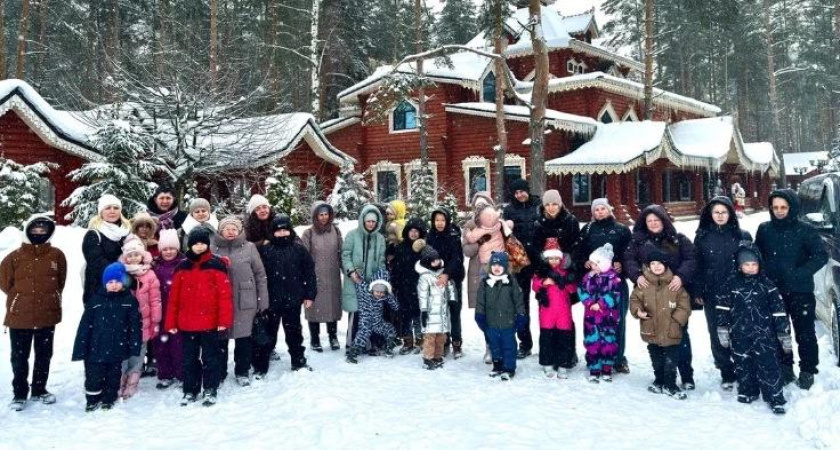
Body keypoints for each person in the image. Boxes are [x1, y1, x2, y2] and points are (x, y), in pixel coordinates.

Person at [755, 189, 827, 390]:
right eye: (775, 207)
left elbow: (820, 256)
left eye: (783, 207)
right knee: (780, 332)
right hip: (774, 292)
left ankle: (808, 370)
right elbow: (757, 255)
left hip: (800, 291)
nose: (779, 211)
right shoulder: (764, 229)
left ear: (792, 207)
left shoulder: (806, 230)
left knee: (805, 333)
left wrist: (800, 273)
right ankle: (785, 367)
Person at [624, 204, 696, 389]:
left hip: (674, 294)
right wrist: (637, 275)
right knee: (655, 338)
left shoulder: (678, 239)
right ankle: (662, 376)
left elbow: (691, 259)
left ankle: (686, 375)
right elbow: (629, 260)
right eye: (649, 220)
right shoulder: (637, 242)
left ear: (664, 221)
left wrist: (681, 276)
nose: (653, 223)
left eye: (657, 220)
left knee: (680, 336)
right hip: (650, 297)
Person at [715, 242, 790, 415]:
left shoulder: (767, 284)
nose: (750, 268)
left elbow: (778, 310)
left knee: (769, 364)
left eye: (754, 264)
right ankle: (748, 390)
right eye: (746, 264)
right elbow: (722, 308)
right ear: (739, 265)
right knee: (743, 363)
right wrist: (722, 327)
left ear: (759, 264)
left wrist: (782, 331)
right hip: (739, 333)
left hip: (765, 333)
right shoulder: (731, 284)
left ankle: (775, 397)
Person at [1, 216, 66, 411]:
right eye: (35, 230)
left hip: (47, 315)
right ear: (27, 231)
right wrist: (21, 297)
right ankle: (19, 393)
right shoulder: (14, 257)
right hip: (20, 316)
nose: (39, 233)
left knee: (44, 355)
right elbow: (5, 283)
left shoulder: (56, 255)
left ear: (49, 232)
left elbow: (60, 281)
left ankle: (39, 389)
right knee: (19, 357)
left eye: (43, 230)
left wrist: (50, 296)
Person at [165, 227, 233, 407]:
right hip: (187, 324)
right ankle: (190, 390)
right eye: (196, 243)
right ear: (190, 245)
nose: (200, 246)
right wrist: (171, 322)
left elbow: (224, 296)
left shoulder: (216, 265)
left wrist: (223, 320)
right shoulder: (182, 267)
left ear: (208, 245)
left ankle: (210, 388)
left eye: (203, 243)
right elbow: (174, 299)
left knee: (210, 358)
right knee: (189, 359)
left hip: (210, 323)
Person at [693, 196, 752, 390]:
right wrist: (698, 289)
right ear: (710, 214)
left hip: (737, 291)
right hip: (712, 291)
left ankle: (743, 366)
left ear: (730, 214)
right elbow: (697, 265)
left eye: (724, 212)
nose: (720, 215)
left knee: (740, 330)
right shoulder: (702, 236)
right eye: (716, 212)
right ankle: (726, 370)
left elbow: (751, 263)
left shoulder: (742, 235)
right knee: (718, 332)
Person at [72, 262, 142, 412]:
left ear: (123, 282)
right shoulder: (95, 301)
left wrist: (134, 344)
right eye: (110, 282)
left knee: (113, 376)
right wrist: (81, 347)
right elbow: (85, 326)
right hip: (95, 348)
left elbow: (135, 326)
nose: (114, 285)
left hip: (117, 347)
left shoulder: (129, 301)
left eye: (117, 281)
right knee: (93, 376)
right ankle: (92, 400)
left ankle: (108, 399)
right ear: (105, 284)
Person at [573, 198, 632, 373]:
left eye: (602, 208)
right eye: (596, 209)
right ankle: (594, 356)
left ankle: (618, 358)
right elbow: (578, 251)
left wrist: (622, 264)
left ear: (609, 210)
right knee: (593, 321)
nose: (599, 212)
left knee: (616, 321)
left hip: (615, 283)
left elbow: (630, 253)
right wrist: (584, 262)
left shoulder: (621, 230)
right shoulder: (588, 229)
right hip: (594, 284)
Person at [253, 215, 317, 374]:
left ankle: (298, 361)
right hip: (271, 301)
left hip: (293, 300)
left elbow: (309, 273)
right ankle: (261, 366)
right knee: (268, 334)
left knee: (294, 333)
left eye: (285, 230)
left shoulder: (299, 250)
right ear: (272, 232)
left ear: (290, 230)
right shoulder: (265, 251)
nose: (282, 233)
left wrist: (310, 294)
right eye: (278, 231)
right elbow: (257, 276)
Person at [211, 216, 269, 386]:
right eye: (227, 228)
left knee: (244, 339)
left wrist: (262, 301)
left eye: (234, 229)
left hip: (245, 301)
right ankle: (219, 372)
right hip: (219, 303)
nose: (231, 232)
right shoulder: (212, 248)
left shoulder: (249, 247)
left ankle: (242, 371)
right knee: (220, 340)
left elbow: (260, 275)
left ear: (240, 231)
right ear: (220, 231)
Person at [629, 250, 691, 400]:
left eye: (659, 263)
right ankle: (659, 380)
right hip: (652, 328)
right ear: (648, 266)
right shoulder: (643, 284)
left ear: (666, 265)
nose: (656, 266)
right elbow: (635, 300)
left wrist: (675, 320)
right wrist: (638, 311)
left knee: (671, 359)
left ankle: (670, 384)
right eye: (653, 263)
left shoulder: (674, 284)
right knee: (656, 357)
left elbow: (684, 305)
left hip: (671, 330)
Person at [531, 190, 581, 360]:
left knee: (565, 317)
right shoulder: (539, 223)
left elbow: (576, 246)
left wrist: (569, 271)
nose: (551, 207)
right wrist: (546, 271)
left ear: (560, 204)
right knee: (546, 316)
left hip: (565, 273)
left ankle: (568, 353)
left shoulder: (570, 221)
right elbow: (535, 250)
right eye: (547, 204)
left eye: (554, 204)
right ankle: (549, 354)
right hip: (546, 273)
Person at [117, 235, 162, 399]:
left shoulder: (150, 275)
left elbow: (155, 299)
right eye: (130, 255)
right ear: (125, 257)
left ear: (142, 255)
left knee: (138, 354)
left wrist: (156, 320)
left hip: (143, 322)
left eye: (136, 254)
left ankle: (132, 383)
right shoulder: (120, 273)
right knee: (122, 354)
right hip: (124, 323)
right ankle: (119, 382)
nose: (134, 257)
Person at [503, 179, 541, 362]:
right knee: (521, 304)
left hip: (540, 260)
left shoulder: (539, 205)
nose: (519, 195)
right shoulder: (509, 210)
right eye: (516, 192)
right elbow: (505, 235)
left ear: (527, 190)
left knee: (547, 302)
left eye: (522, 191)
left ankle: (549, 343)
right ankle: (525, 343)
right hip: (520, 262)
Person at [475, 252, 526, 381]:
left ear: (505, 267)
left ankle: (509, 368)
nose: (496, 268)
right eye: (494, 265)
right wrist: (479, 314)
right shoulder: (485, 283)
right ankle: (497, 365)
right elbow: (480, 301)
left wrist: (521, 314)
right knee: (494, 345)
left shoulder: (511, 282)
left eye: (500, 265)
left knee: (509, 346)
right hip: (491, 322)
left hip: (508, 322)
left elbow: (519, 300)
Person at [301, 202, 344, 353]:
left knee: (333, 307)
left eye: (326, 214)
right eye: (321, 214)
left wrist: (347, 271)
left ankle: (333, 336)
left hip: (332, 276)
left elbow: (342, 253)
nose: (324, 217)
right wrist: (305, 276)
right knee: (314, 308)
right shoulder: (308, 233)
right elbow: (303, 256)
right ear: (315, 216)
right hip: (315, 277)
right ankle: (315, 338)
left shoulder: (336, 231)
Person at [341, 204, 387, 346]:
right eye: (368, 221)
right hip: (355, 280)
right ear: (363, 220)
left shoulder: (380, 239)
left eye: (373, 221)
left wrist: (379, 279)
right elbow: (345, 255)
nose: (371, 224)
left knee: (371, 313)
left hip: (372, 281)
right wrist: (351, 271)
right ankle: (351, 344)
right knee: (355, 312)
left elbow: (381, 260)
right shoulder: (352, 235)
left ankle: (369, 344)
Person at [531, 239, 577, 379]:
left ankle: (563, 364)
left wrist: (566, 282)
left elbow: (573, 289)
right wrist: (544, 282)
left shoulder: (566, 272)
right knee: (547, 338)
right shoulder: (542, 272)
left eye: (557, 258)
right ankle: (547, 363)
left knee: (564, 339)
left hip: (563, 312)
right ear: (546, 259)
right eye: (551, 258)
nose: (554, 261)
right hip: (547, 312)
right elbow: (534, 285)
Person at [578, 243, 622, 383]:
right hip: (591, 318)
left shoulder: (614, 278)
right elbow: (581, 290)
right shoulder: (588, 277)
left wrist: (601, 303)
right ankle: (594, 368)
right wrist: (590, 303)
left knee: (608, 342)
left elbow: (615, 294)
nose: (592, 266)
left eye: (595, 263)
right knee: (593, 342)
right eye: (591, 263)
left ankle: (607, 368)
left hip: (607, 318)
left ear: (602, 264)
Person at [425, 208, 465, 359]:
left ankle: (457, 342)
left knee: (454, 311)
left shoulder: (453, 236)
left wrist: (447, 274)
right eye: (437, 220)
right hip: (436, 280)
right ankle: (444, 341)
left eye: (442, 220)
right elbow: (426, 257)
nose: (440, 223)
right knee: (440, 312)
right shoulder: (430, 237)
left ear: (447, 221)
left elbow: (457, 258)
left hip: (453, 279)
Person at [152, 229, 186, 389]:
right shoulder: (155, 266)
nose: (168, 252)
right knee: (161, 345)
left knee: (179, 345)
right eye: (165, 249)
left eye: (172, 248)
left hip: (179, 312)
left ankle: (181, 374)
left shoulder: (184, 264)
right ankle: (165, 374)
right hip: (161, 312)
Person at [82, 194, 131, 304]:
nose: (112, 211)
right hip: (99, 289)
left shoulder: (126, 232)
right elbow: (96, 262)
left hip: (123, 289)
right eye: (108, 208)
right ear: (101, 212)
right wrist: (121, 274)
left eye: (116, 208)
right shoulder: (94, 234)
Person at [415, 241, 456, 370]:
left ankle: (437, 356)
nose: (436, 262)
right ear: (427, 262)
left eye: (437, 259)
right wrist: (424, 310)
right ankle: (428, 358)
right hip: (430, 313)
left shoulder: (443, 273)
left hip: (442, 313)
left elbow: (450, 286)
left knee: (441, 337)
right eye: (433, 261)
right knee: (430, 337)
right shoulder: (425, 278)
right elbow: (422, 295)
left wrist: (452, 299)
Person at [391, 218, 428, 355]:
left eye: (416, 231)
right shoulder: (401, 248)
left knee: (418, 314)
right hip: (404, 287)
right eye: (411, 231)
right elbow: (396, 267)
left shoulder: (423, 248)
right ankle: (407, 341)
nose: (413, 233)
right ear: (407, 232)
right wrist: (394, 283)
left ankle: (420, 340)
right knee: (405, 315)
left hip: (419, 286)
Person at [346, 274, 400, 364]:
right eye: (377, 291)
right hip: (365, 322)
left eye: (382, 292)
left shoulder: (385, 296)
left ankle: (389, 347)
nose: (379, 294)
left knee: (390, 329)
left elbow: (396, 306)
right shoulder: (365, 292)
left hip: (378, 323)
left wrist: (390, 295)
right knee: (362, 337)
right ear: (372, 289)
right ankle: (352, 353)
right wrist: (356, 275)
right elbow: (359, 282)